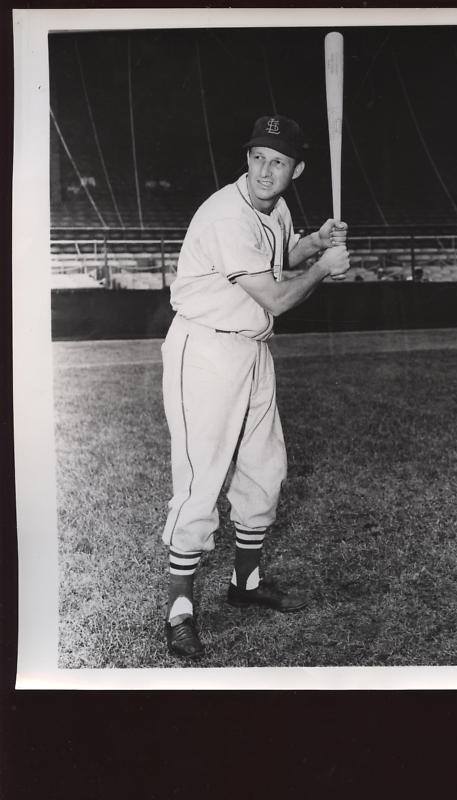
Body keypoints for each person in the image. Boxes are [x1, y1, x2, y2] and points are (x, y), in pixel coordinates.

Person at [161, 114, 350, 659]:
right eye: (257, 158)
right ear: (246, 158)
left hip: (251, 348)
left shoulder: (275, 206)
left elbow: (277, 257)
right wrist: (324, 268)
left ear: (297, 169)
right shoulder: (226, 215)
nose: (265, 171)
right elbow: (278, 297)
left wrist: (313, 243)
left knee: (265, 471)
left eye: (279, 162)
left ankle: (245, 584)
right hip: (206, 350)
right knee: (200, 482)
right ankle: (179, 610)